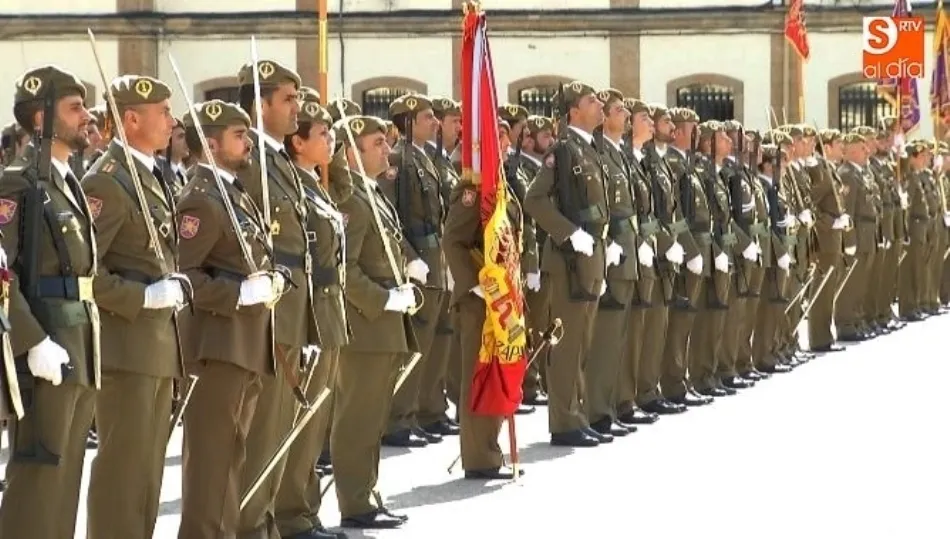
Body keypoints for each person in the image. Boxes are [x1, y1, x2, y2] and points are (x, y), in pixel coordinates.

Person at [81, 74, 185, 539]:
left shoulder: (146, 173)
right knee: (123, 468)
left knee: (147, 468)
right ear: (131, 118)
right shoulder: (107, 180)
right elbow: (86, 273)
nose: (173, 120)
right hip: (127, 344)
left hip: (157, 344)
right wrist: (142, 296)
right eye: (163, 111)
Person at [175, 99, 284, 539]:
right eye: (239, 136)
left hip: (245, 342)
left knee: (231, 457)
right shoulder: (199, 199)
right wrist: (239, 292)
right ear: (211, 143)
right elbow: (185, 278)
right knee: (211, 461)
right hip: (218, 346)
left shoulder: (233, 192)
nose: (249, 143)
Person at [0, 64, 100, 539]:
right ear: (40, 119)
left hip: (78, 344)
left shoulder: (65, 181)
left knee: (65, 481)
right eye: (74, 107)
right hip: (46, 345)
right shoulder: (18, 183)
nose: (87, 115)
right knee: (38, 483)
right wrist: (31, 341)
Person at [234, 58, 317, 538]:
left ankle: (264, 524)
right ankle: (249, 528)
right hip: (266, 321)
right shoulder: (251, 165)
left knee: (277, 435)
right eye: (288, 99)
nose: (297, 108)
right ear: (259, 105)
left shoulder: (279, 161)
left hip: (291, 315)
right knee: (260, 435)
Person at [331, 114, 414, 529]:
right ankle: (354, 501)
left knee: (373, 417)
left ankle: (367, 491)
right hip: (364, 325)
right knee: (356, 418)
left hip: (383, 324)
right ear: (351, 151)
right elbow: (344, 269)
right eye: (377, 143)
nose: (387, 149)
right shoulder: (350, 200)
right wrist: (384, 299)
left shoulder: (373, 193)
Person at [274, 92, 350, 539]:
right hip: (308, 314)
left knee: (315, 421)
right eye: (323, 133)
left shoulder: (315, 183)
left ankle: (304, 510)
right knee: (300, 422)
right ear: (298, 142)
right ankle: (290, 514)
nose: (333, 139)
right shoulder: (294, 186)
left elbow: (346, 186)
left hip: (327, 311)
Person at [441, 116, 527, 480]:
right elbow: (453, 240)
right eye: (497, 140)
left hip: (501, 299)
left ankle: (489, 450)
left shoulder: (501, 185)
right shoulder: (472, 189)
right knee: (478, 374)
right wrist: (477, 284)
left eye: (505, 140)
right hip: (480, 300)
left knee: (497, 371)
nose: (503, 146)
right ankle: (478, 456)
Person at [523, 81, 609, 447]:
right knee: (567, 345)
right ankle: (563, 422)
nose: (600, 104)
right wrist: (569, 233)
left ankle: (576, 414)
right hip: (568, 262)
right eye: (592, 101)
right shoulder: (563, 150)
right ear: (574, 111)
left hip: (589, 260)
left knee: (581, 344)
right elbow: (535, 200)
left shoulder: (590, 150)